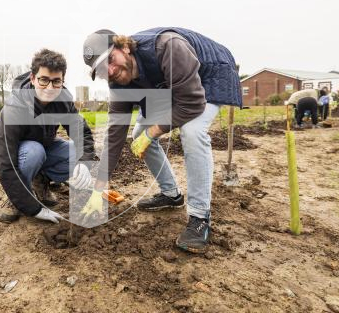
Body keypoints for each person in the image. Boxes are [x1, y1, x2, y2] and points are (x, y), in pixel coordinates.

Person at [80, 27, 241, 253]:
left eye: (111, 60)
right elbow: (115, 133)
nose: (111, 70)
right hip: (168, 86)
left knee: (192, 132)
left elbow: (192, 104)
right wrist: (99, 187)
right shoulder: (117, 82)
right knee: (137, 135)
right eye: (102, 69)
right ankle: (171, 195)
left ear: (124, 46)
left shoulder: (168, 47)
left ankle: (200, 218)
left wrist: (152, 131)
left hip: (208, 76)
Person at [0, 49, 97, 224]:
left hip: (47, 146)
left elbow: (82, 133)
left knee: (75, 153)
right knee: (34, 151)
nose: (50, 88)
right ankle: (16, 199)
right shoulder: (14, 108)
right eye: (44, 80)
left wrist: (85, 163)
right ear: (33, 79)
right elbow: (5, 163)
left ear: (62, 81)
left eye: (56, 81)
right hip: (23, 154)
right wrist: (32, 208)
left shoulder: (63, 100)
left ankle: (41, 181)